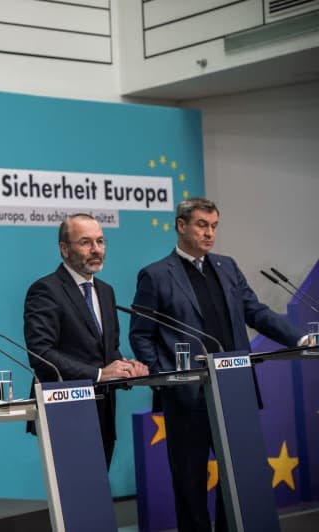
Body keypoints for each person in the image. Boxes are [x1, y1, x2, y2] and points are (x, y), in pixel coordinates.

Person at [129, 197, 304, 532]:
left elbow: (255, 311)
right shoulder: (155, 275)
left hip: (234, 392)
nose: (210, 233)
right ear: (181, 226)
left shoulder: (227, 267)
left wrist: (298, 339)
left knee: (236, 480)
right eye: (202, 225)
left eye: (214, 226)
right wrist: (169, 379)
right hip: (188, 399)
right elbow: (141, 336)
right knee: (191, 484)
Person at [23, 213, 148, 467]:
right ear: (64, 249)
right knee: (74, 499)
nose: (96, 250)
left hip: (103, 413)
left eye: (100, 242)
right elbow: (40, 353)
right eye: (86, 242)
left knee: (98, 494)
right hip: (65, 411)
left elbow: (107, 351)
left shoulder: (106, 291)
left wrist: (126, 369)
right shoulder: (46, 290)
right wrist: (100, 374)